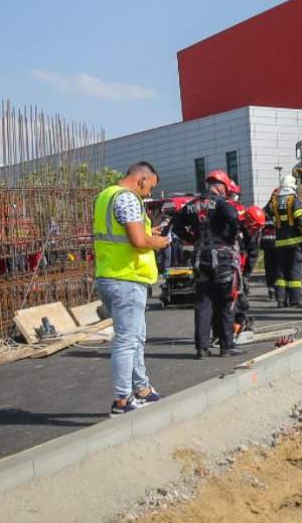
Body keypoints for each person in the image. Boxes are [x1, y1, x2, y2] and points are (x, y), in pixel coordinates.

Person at [93, 161, 169, 416]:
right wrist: (158, 241)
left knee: (135, 337)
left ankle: (142, 389)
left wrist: (149, 230)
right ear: (141, 180)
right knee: (127, 341)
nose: (149, 193)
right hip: (126, 277)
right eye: (150, 188)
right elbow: (138, 241)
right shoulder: (127, 199)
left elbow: (123, 234)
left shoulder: (106, 195)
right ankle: (122, 401)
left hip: (110, 275)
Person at [173, 169, 242, 358]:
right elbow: (235, 219)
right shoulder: (221, 203)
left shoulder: (191, 205)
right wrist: (229, 237)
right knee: (226, 301)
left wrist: (191, 238)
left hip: (199, 257)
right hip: (221, 257)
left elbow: (176, 225)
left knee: (203, 302)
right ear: (221, 186)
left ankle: (201, 348)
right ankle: (226, 346)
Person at [265, 174, 302, 307]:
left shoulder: (274, 200)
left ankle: (281, 300)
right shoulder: (294, 199)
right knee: (295, 271)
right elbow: (300, 220)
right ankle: (295, 300)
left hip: (279, 242)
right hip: (295, 242)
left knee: (281, 271)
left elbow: (266, 213)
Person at [258, 194, 278, 299]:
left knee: (269, 268)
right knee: (277, 267)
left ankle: (271, 291)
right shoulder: (278, 209)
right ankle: (278, 291)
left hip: (266, 243)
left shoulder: (263, 210)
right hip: (277, 242)